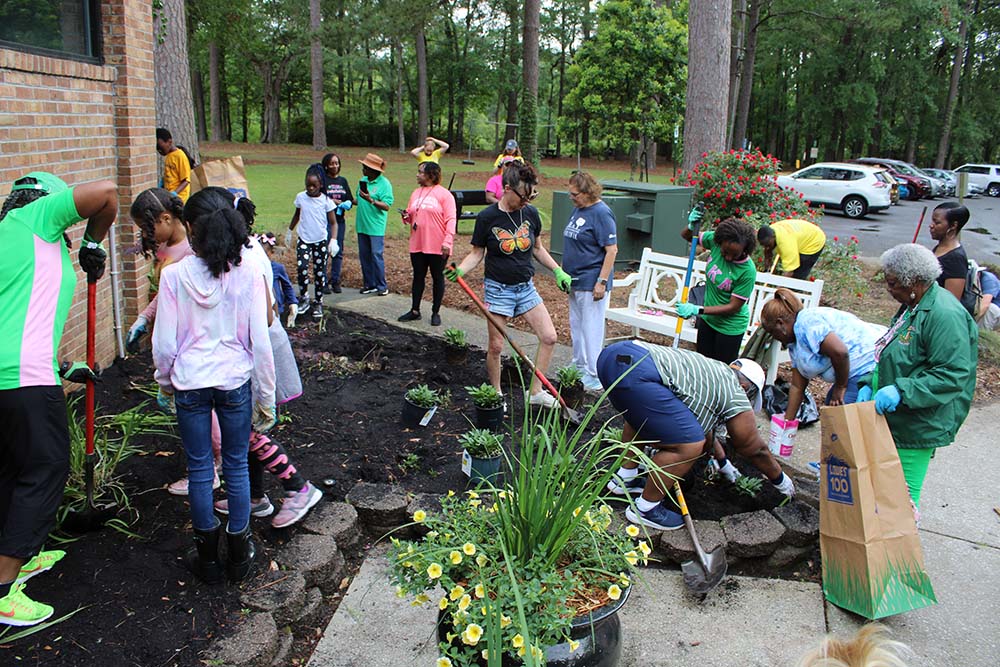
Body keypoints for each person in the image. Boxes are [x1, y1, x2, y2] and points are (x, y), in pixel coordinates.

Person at [0, 172, 117, 626]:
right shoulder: (36, 218)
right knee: (45, 469)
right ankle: (4, 589)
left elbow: (16, 318)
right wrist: (93, 242)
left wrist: (63, 368)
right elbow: (106, 193)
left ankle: (20, 556)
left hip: (16, 378)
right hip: (26, 380)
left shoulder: (9, 235)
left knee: (11, 471)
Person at [184, 188, 323, 530]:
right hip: (245, 354)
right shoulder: (240, 248)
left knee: (244, 432)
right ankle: (254, 496)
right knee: (244, 430)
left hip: (254, 355)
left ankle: (298, 487)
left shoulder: (244, 258)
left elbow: (265, 317)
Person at [153, 203, 275, 583]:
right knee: (237, 464)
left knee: (201, 468)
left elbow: (164, 342)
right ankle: (240, 554)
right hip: (234, 382)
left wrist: (164, 380)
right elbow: (261, 339)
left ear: (195, 236)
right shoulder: (250, 274)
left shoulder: (173, 277)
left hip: (190, 384)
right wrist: (267, 396)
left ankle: (207, 559)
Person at [597, 341, 795, 530]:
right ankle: (645, 508)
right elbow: (753, 447)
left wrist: (723, 462)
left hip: (613, 357)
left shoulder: (711, 373)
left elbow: (703, 431)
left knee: (644, 414)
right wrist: (780, 480)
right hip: (637, 373)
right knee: (688, 446)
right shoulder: (735, 392)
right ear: (746, 389)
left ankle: (625, 479)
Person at [858, 244, 977, 511]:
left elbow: (953, 374)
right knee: (884, 493)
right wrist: (869, 382)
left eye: (892, 283)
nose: (888, 289)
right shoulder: (912, 304)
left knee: (901, 500)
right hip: (896, 418)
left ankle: (898, 553)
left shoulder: (943, 315)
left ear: (913, 280)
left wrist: (902, 391)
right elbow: (891, 353)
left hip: (917, 425)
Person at [446, 161, 572, 409]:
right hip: (498, 289)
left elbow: (537, 248)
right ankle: (496, 394)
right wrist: (461, 268)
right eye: (523, 195)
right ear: (506, 188)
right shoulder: (487, 218)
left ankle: (535, 392)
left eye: (531, 195)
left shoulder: (531, 214)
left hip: (525, 288)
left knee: (549, 337)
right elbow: (477, 253)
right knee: (496, 346)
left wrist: (558, 271)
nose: (527, 201)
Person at [126, 188, 223, 496]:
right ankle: (211, 464)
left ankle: (213, 467)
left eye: (147, 226)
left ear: (167, 218)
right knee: (194, 410)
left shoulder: (192, 253)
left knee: (200, 408)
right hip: (173, 339)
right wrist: (144, 316)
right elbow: (163, 294)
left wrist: (165, 376)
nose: (145, 233)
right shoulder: (166, 247)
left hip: (188, 342)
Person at [759, 288, 886, 454]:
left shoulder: (807, 323)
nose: (774, 337)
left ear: (780, 324)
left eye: (772, 332)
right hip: (853, 369)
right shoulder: (794, 344)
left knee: (839, 415)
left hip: (869, 362)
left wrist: (840, 388)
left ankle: (842, 467)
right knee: (831, 411)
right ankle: (833, 464)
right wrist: (787, 423)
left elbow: (840, 352)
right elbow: (798, 386)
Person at [561, 172, 618, 393]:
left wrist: (601, 282)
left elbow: (611, 250)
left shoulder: (602, 213)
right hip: (574, 280)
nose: (571, 198)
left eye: (575, 194)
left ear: (587, 192)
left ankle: (595, 374)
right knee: (577, 325)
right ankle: (580, 365)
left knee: (591, 328)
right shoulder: (580, 208)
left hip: (592, 280)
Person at [678, 213, 758, 364]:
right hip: (708, 320)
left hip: (730, 327)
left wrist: (698, 310)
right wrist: (691, 226)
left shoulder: (747, 271)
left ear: (745, 250)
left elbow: (733, 307)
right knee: (703, 365)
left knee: (722, 372)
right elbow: (689, 237)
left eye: (735, 254)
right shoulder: (716, 240)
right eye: (725, 252)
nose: (728, 258)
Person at [398, 162, 456, 327]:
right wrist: (406, 215)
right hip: (418, 242)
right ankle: (415, 310)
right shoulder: (416, 193)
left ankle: (435, 312)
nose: (417, 175)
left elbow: (451, 219)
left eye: (420, 172)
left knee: (438, 277)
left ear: (431, 175)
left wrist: (447, 240)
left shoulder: (445, 195)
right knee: (418, 276)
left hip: (438, 244)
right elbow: (412, 215)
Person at [286, 164, 338, 319]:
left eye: (314, 185)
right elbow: (297, 214)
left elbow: (334, 223)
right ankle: (304, 298)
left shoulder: (326, 201)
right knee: (302, 268)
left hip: (320, 240)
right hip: (304, 239)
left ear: (320, 185)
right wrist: (289, 230)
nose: (310, 188)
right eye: (307, 185)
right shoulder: (301, 197)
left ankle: (319, 301)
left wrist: (333, 240)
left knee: (319, 272)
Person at [356, 153, 395, 296]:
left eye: (365, 168)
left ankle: (381, 286)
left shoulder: (384, 184)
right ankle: (369, 284)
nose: (363, 170)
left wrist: (371, 200)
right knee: (364, 255)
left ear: (374, 170)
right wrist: (344, 202)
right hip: (362, 225)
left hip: (376, 227)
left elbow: (386, 205)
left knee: (376, 255)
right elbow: (358, 199)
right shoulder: (363, 180)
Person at [319, 153, 354, 294]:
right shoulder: (322, 180)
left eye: (337, 163)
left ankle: (335, 280)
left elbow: (350, 199)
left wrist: (348, 203)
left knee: (337, 251)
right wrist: (332, 201)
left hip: (339, 221)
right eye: (332, 163)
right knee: (324, 251)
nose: (335, 166)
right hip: (325, 221)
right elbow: (318, 198)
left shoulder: (343, 181)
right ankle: (322, 282)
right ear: (326, 165)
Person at [757, 218, 827, 279]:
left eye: (767, 244)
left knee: (798, 274)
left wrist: (778, 290)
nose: (766, 247)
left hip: (814, 241)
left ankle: (795, 291)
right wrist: (766, 270)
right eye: (763, 245)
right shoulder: (769, 232)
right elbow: (767, 251)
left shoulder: (786, 244)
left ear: (773, 237)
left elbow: (789, 271)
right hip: (801, 234)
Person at [928, 202, 969, 303]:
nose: (931, 226)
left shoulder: (956, 259)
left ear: (953, 225)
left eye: (937, 222)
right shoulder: (939, 248)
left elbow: (951, 303)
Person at [260, 233, 299, 328]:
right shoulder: (254, 269)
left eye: (265, 253)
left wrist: (292, 302)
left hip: (276, 307)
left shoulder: (277, 268)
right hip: (260, 307)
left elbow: (287, 286)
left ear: (271, 252)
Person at [156, 128, 192, 203]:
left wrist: (174, 194)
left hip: (179, 197)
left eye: (160, 147)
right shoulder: (169, 156)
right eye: (157, 148)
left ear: (169, 142)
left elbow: (186, 180)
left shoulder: (180, 156)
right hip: (169, 196)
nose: (159, 150)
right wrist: (162, 182)